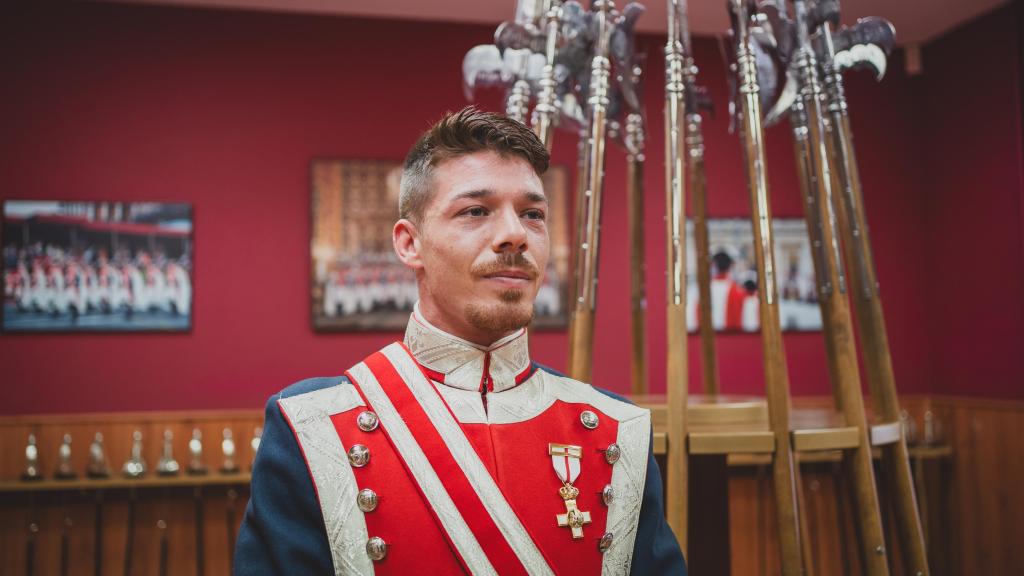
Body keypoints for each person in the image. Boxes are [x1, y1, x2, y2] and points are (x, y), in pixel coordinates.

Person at [234, 107, 687, 575]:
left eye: (533, 214)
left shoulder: (618, 432)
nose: (515, 233)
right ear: (410, 243)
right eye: (475, 211)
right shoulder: (312, 430)